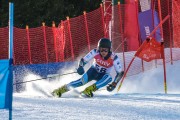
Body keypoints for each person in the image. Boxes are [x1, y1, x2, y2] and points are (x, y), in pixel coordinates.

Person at [52, 38, 124, 97]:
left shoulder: (114, 58)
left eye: (106, 50)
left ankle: (88, 90)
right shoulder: (95, 52)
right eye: (101, 49)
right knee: (81, 82)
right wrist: (80, 67)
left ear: (109, 50)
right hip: (93, 72)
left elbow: (120, 73)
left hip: (102, 76)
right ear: (99, 49)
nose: (103, 52)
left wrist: (114, 84)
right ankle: (60, 90)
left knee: (109, 78)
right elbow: (83, 60)